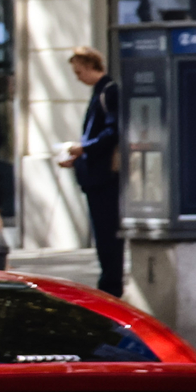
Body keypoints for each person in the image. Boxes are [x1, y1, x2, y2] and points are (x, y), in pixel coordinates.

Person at [58, 45, 123, 296]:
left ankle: (111, 286)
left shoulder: (109, 91)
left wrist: (84, 149)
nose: (78, 77)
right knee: (103, 235)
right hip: (96, 175)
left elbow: (112, 132)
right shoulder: (100, 92)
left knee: (107, 235)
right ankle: (109, 283)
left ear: (89, 67)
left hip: (104, 178)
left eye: (79, 72)